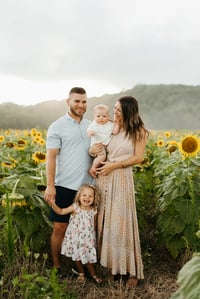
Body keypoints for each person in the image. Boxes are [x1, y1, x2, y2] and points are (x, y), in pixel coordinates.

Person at [90, 95, 149, 287]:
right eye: (114, 109)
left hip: (122, 179)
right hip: (103, 179)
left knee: (121, 224)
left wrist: (115, 166)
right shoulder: (110, 128)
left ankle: (132, 271)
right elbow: (99, 149)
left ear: (128, 111)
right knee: (105, 223)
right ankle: (112, 269)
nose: (114, 113)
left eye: (118, 110)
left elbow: (138, 157)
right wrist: (94, 152)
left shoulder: (139, 131)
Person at [44, 87, 93, 275]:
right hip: (64, 185)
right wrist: (50, 185)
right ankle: (57, 265)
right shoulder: (57, 126)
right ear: (68, 102)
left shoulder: (91, 126)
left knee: (86, 229)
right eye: (77, 101)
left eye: (84, 102)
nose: (81, 105)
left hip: (87, 189)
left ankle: (84, 264)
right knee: (60, 227)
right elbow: (51, 158)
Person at [49, 184, 102, 284]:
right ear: (79, 196)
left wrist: (93, 237)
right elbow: (61, 211)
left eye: (90, 196)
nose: (87, 198)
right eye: (84, 195)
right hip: (76, 238)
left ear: (95, 198)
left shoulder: (94, 210)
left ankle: (93, 275)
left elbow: (94, 225)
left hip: (87, 239)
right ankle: (81, 273)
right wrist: (53, 204)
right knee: (77, 256)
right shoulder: (75, 207)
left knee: (90, 258)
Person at [87, 104, 119, 178]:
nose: (101, 118)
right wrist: (90, 133)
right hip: (98, 145)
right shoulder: (93, 124)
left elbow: (114, 132)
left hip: (106, 144)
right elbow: (89, 130)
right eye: (98, 116)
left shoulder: (110, 124)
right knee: (102, 156)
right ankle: (93, 168)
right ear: (94, 117)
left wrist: (116, 124)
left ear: (108, 117)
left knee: (105, 155)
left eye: (104, 116)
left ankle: (98, 168)